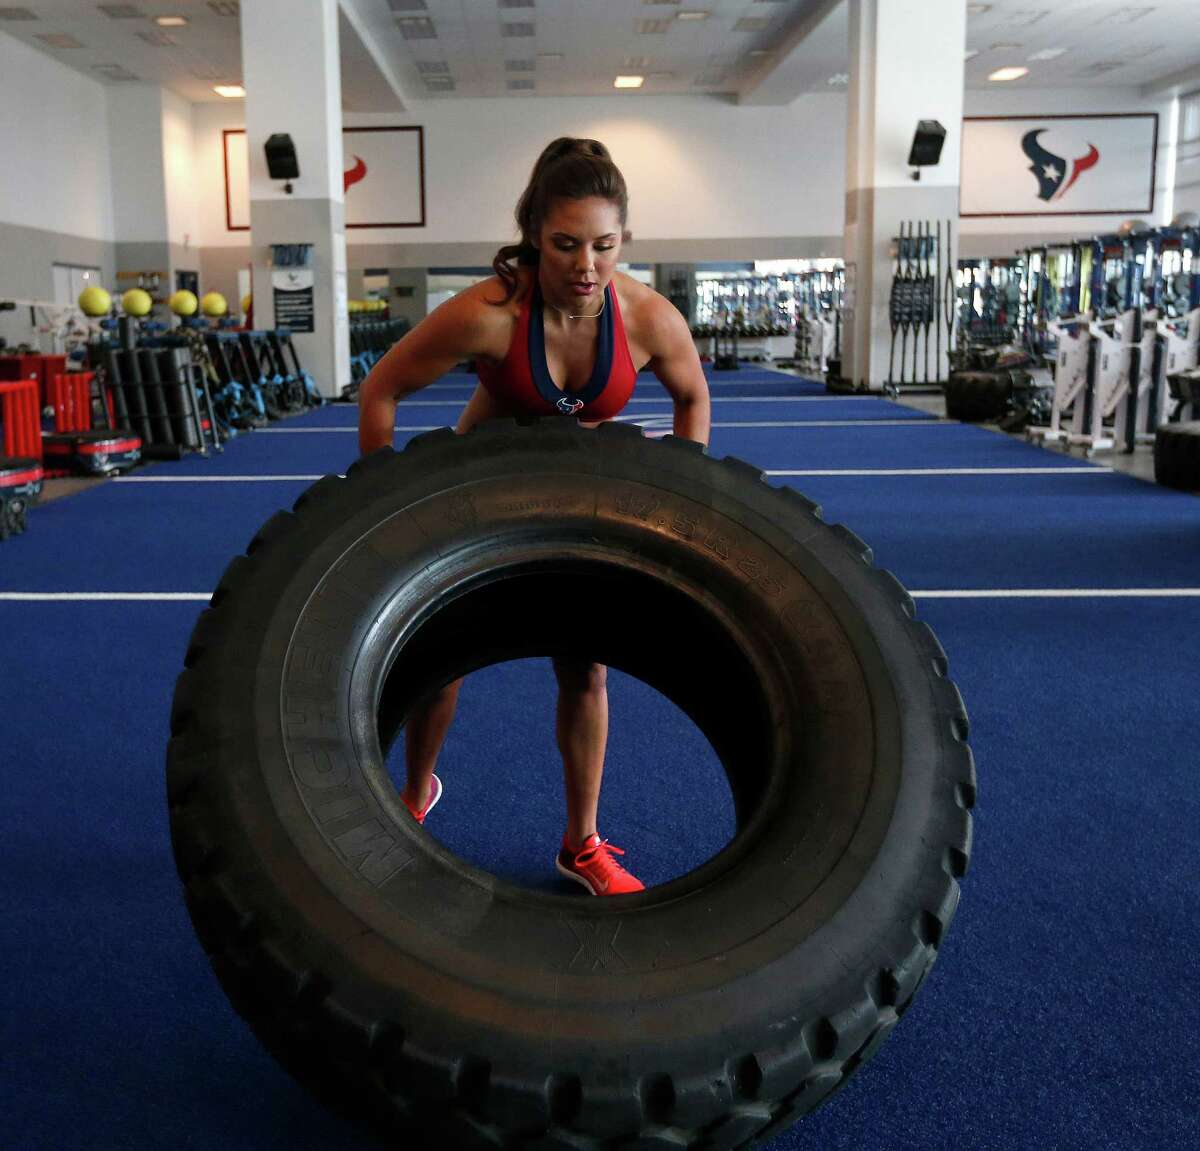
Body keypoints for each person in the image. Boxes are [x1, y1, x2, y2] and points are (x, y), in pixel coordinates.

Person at [357, 137, 711, 896]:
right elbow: (380, 391)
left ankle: (580, 843)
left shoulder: (647, 317)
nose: (586, 265)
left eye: (605, 245)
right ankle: (416, 793)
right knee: (441, 661)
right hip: (479, 491)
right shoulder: (487, 313)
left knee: (586, 666)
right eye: (565, 244)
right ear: (533, 235)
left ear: (623, 242)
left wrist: (685, 516)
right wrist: (374, 512)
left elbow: (693, 399)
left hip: (574, 497)